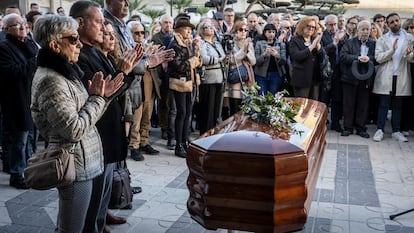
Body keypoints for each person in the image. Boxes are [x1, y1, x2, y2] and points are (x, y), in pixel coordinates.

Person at [31, 14, 124, 233]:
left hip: (85, 161)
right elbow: (73, 129)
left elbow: (87, 109)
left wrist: (102, 96)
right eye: (73, 39)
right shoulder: (51, 80)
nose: (80, 44)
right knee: (71, 228)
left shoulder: (65, 71)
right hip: (75, 164)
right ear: (54, 44)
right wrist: (98, 98)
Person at [69, 1, 142, 232]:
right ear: (80, 23)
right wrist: (123, 72)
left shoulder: (94, 50)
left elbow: (116, 86)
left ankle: (100, 224)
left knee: (103, 193)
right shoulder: (80, 55)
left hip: (110, 131)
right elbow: (101, 93)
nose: (102, 28)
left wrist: (124, 71)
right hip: (96, 134)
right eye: (98, 22)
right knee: (93, 199)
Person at [0, 13, 38, 189]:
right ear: (7, 29)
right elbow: (11, 72)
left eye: (23, 23)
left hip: (33, 98)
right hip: (17, 100)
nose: (23, 27)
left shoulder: (29, 43)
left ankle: (29, 172)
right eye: (17, 25)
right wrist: (35, 61)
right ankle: (17, 174)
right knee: (19, 140)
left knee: (30, 138)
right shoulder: (4, 48)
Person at [372, 13, 414, 142]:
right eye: (392, 22)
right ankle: (380, 130)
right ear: (388, 25)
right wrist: (392, 51)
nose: (395, 23)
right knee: (383, 104)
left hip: (402, 75)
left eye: (397, 20)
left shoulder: (410, 38)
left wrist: (408, 54)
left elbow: (412, 59)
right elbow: (378, 58)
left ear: (400, 21)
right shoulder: (382, 39)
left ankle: (396, 131)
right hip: (386, 75)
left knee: (398, 105)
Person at [167, 17, 202, 158]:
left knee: (188, 112)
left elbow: (196, 63)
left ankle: (185, 140)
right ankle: (178, 144)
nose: (189, 32)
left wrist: (197, 54)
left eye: (190, 30)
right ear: (180, 30)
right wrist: (193, 61)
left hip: (190, 82)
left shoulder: (188, 44)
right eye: (187, 29)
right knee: (181, 112)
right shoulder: (174, 44)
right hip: (179, 82)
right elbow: (178, 66)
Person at [127, 20, 162, 160]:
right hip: (135, 89)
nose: (140, 35)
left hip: (149, 86)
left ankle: (144, 142)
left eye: (143, 32)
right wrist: (146, 57)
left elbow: (154, 66)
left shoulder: (147, 46)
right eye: (137, 33)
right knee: (136, 119)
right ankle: (134, 146)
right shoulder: (127, 47)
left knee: (147, 117)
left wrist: (155, 57)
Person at [339, 20, 376, 138]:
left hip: (366, 79)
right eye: (363, 29)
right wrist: (358, 58)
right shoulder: (349, 42)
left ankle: (361, 128)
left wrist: (368, 59)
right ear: (358, 30)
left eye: (367, 29)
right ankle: (348, 127)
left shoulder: (373, 44)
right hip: (350, 78)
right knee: (348, 104)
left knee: (363, 104)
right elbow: (343, 56)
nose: (365, 32)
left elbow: (377, 58)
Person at [198, 19, 226, 135]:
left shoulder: (217, 43)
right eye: (206, 27)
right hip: (208, 79)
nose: (210, 28)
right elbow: (204, 59)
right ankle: (205, 133)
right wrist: (219, 60)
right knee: (207, 109)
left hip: (220, 78)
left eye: (211, 27)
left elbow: (224, 55)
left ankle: (214, 132)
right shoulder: (201, 43)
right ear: (201, 30)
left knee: (216, 109)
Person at [223, 20, 256, 117]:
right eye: (241, 30)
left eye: (246, 30)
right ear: (235, 31)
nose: (243, 32)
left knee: (246, 107)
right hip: (235, 78)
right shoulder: (230, 43)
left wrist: (247, 50)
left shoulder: (249, 44)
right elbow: (232, 60)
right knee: (235, 108)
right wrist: (243, 50)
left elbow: (253, 61)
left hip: (247, 78)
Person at [320, 14, 346, 132]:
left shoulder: (343, 36)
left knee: (337, 99)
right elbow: (321, 52)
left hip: (338, 72)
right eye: (330, 24)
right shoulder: (321, 36)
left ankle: (336, 124)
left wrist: (340, 41)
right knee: (324, 100)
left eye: (335, 24)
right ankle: (322, 123)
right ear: (325, 25)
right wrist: (334, 43)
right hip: (325, 73)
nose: (333, 27)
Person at [289, 16, 324, 100]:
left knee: (313, 106)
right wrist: (312, 46)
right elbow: (297, 56)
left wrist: (318, 48)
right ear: (302, 26)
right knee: (301, 105)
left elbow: (322, 57)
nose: (311, 28)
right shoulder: (295, 40)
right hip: (301, 79)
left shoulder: (315, 39)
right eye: (308, 26)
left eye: (313, 27)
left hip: (315, 78)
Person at [254, 23, 287, 95]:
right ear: (265, 32)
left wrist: (277, 55)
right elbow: (256, 62)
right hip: (261, 75)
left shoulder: (281, 44)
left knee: (273, 96)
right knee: (262, 96)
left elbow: (284, 61)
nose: (271, 34)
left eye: (273, 32)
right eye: (269, 32)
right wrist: (264, 54)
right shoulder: (259, 43)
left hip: (276, 74)